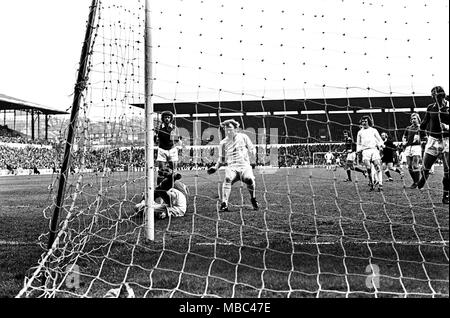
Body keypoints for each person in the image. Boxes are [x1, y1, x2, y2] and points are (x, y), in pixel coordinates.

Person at [207, 119, 259, 212]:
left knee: (249, 179)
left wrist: (253, 154)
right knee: (227, 179)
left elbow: (252, 148)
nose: (228, 131)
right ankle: (224, 204)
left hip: (244, 166)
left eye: (230, 128)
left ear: (236, 128)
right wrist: (215, 168)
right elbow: (222, 159)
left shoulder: (243, 137)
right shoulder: (223, 143)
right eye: (226, 129)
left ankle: (253, 199)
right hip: (232, 167)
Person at [416, 86, 449, 204]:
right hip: (433, 140)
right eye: (432, 95)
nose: (433, 97)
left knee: (447, 170)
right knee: (426, 167)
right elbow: (424, 123)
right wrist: (421, 135)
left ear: (441, 95)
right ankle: (422, 180)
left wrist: (447, 127)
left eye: (434, 95)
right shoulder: (431, 107)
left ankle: (446, 195)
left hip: (447, 141)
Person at [356, 115, 385, 191]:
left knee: (377, 167)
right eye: (363, 121)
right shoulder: (360, 132)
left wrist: (381, 145)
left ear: (368, 121)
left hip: (374, 150)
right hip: (365, 151)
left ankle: (380, 184)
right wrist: (358, 151)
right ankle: (372, 184)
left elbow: (379, 139)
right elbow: (358, 143)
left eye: (365, 121)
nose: (364, 122)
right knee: (368, 168)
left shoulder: (373, 130)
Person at [155, 111, 181, 184]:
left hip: (172, 149)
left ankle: (174, 185)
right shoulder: (158, 128)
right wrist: (156, 138)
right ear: (163, 118)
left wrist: (174, 138)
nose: (167, 119)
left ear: (171, 118)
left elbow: (176, 140)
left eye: (168, 117)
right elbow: (155, 139)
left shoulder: (174, 128)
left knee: (174, 169)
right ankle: (160, 186)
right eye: (165, 117)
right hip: (162, 149)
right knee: (161, 170)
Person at [402, 113, 425, 188]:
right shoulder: (408, 128)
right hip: (408, 147)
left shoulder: (421, 128)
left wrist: (421, 140)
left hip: (416, 147)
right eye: (412, 119)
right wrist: (404, 141)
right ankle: (415, 182)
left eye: (415, 118)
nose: (413, 120)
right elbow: (404, 136)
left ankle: (417, 182)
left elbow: (425, 137)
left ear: (418, 119)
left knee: (415, 165)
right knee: (409, 166)